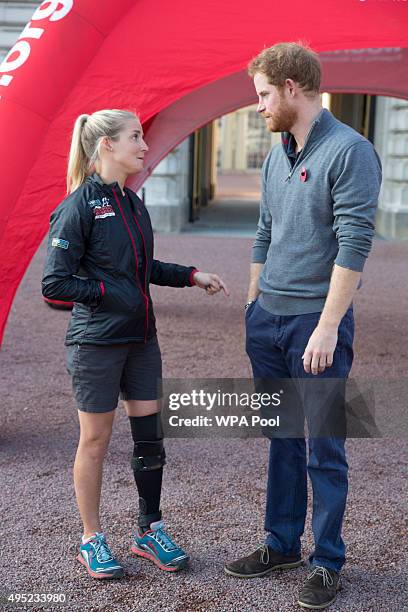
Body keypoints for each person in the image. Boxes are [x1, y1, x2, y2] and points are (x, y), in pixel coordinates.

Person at [224, 43, 381, 610]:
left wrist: (328, 326)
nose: (259, 106)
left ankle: (328, 560)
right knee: (282, 439)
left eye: (264, 94)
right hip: (268, 323)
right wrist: (252, 303)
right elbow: (264, 230)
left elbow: (354, 243)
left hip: (317, 325)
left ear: (293, 87)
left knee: (325, 447)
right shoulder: (276, 154)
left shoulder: (350, 151)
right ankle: (281, 544)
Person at [42, 109, 229, 580]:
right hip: (97, 345)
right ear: (106, 145)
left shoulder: (132, 202)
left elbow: (141, 268)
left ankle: (150, 529)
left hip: (142, 341)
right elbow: (54, 284)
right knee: (96, 440)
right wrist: (108, 293)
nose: (144, 146)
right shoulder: (78, 206)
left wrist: (190, 276)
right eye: (135, 137)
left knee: (151, 439)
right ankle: (92, 539)